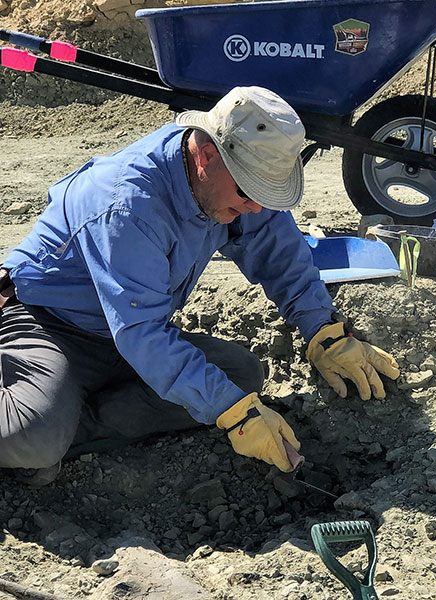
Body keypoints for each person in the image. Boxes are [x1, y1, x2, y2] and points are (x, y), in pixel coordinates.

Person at [0, 86, 399, 487]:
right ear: (207, 155)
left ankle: (70, 420)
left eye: (265, 193)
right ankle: (46, 425)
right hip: (48, 325)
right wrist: (234, 413)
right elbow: (144, 334)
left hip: (125, 332)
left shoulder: (231, 181)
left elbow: (278, 250)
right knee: (33, 437)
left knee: (240, 376)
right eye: (249, 192)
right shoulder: (126, 205)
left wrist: (324, 330)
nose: (256, 206)